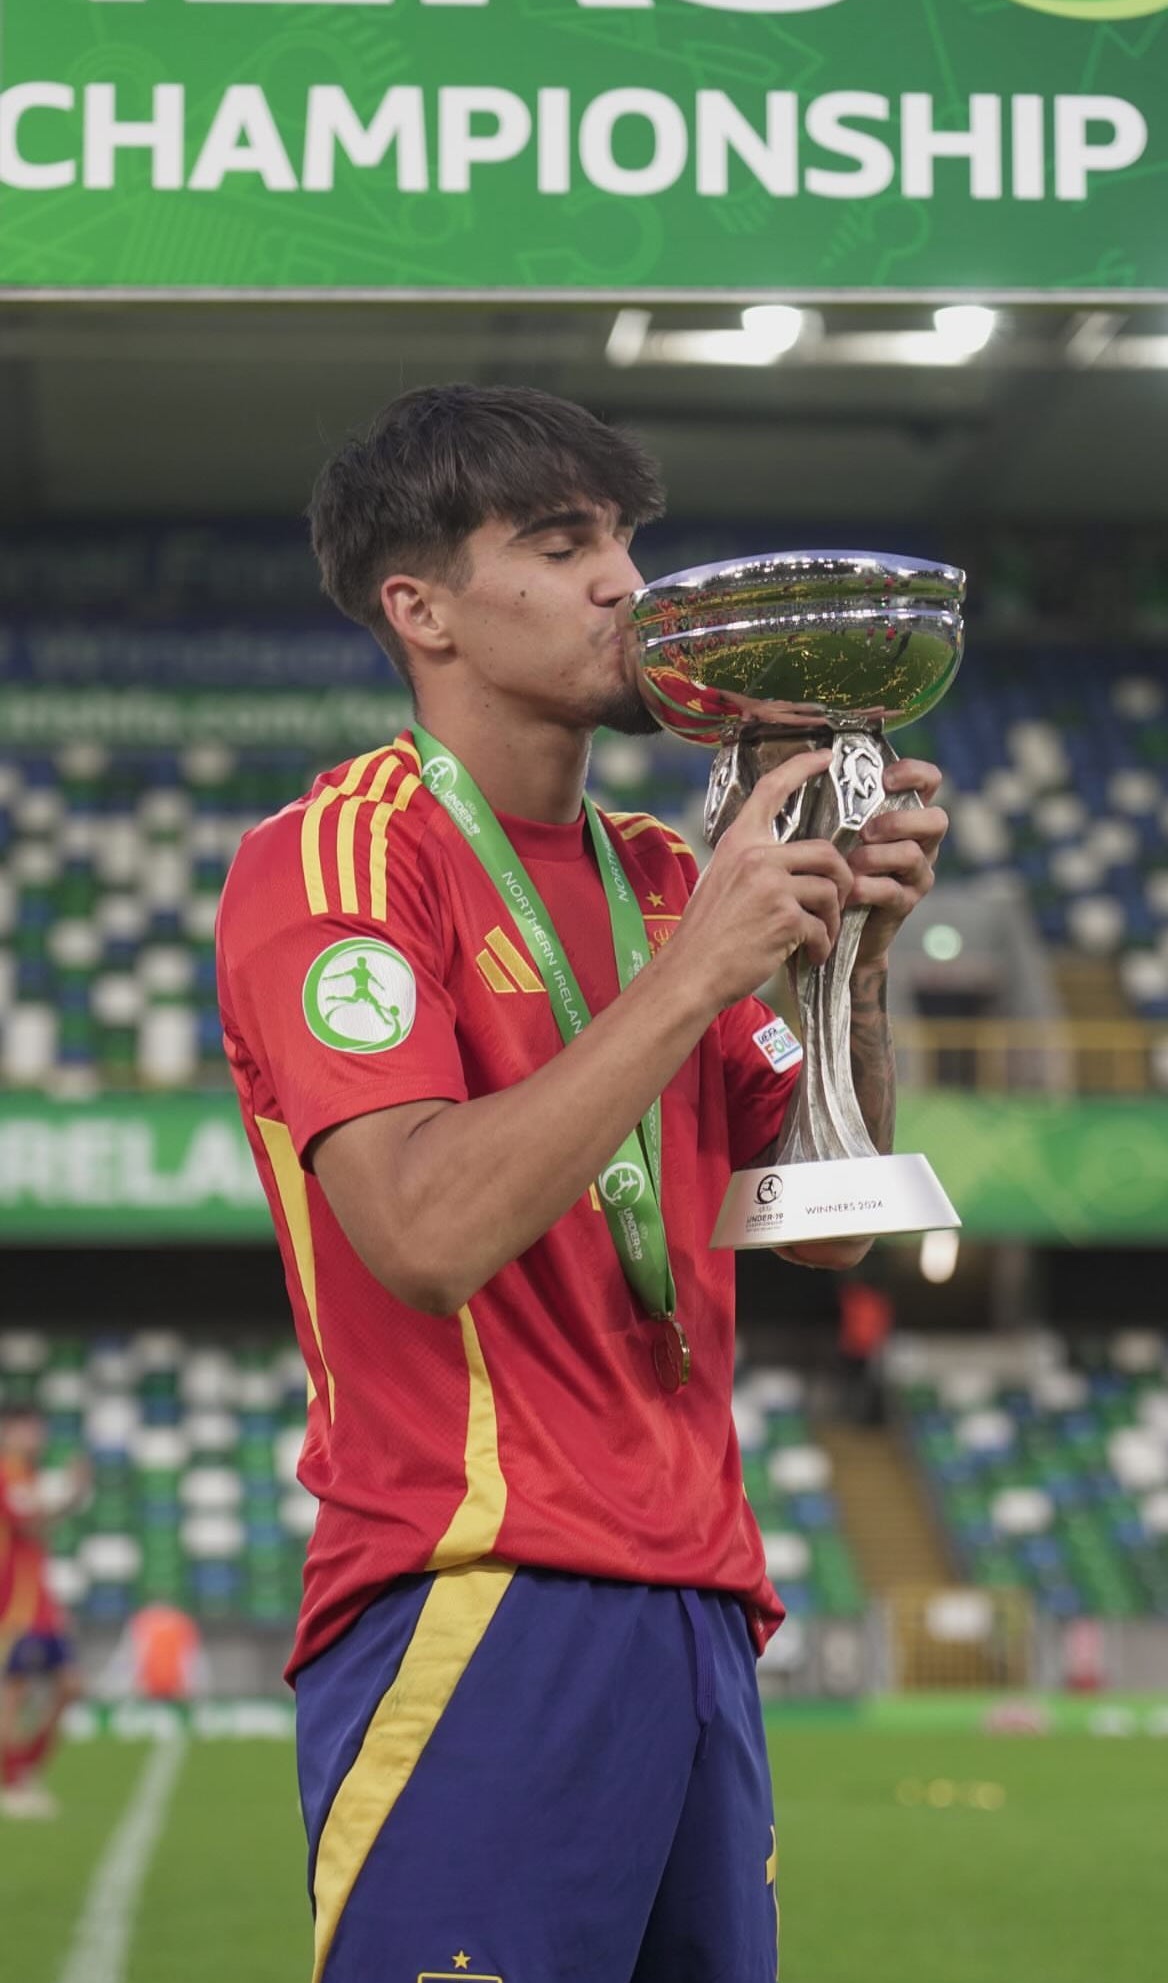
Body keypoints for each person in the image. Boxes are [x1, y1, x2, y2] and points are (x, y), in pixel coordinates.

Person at [215, 383, 947, 1983]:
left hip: (698, 1605)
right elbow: (418, 1232)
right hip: (475, 1597)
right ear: (423, 611)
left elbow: (838, 1226)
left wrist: (855, 981)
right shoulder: (338, 859)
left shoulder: (670, 872)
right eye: (560, 546)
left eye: (624, 537)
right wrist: (689, 980)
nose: (624, 581)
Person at [0, 1405, 87, 1819]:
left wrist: (67, 1496)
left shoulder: (29, 1477)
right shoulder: (6, 1474)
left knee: (69, 1686)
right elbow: (29, 1522)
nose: (36, 1435)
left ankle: (23, 1771)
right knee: (14, 1694)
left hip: (40, 1605)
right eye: (27, 1427)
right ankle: (11, 1782)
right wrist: (69, 1494)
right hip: (15, 1606)